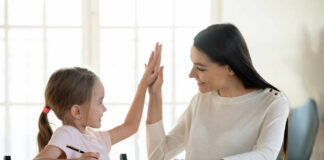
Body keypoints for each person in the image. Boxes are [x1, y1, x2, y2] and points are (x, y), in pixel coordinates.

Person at [146, 24, 290, 160]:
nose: (191, 74)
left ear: (230, 68)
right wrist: (155, 95)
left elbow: (266, 155)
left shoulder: (273, 102)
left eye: (200, 68)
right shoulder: (200, 101)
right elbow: (159, 155)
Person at [33, 43, 163, 160]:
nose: (104, 109)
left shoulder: (95, 138)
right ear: (77, 111)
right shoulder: (67, 134)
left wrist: (143, 85)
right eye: (99, 102)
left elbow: (130, 127)